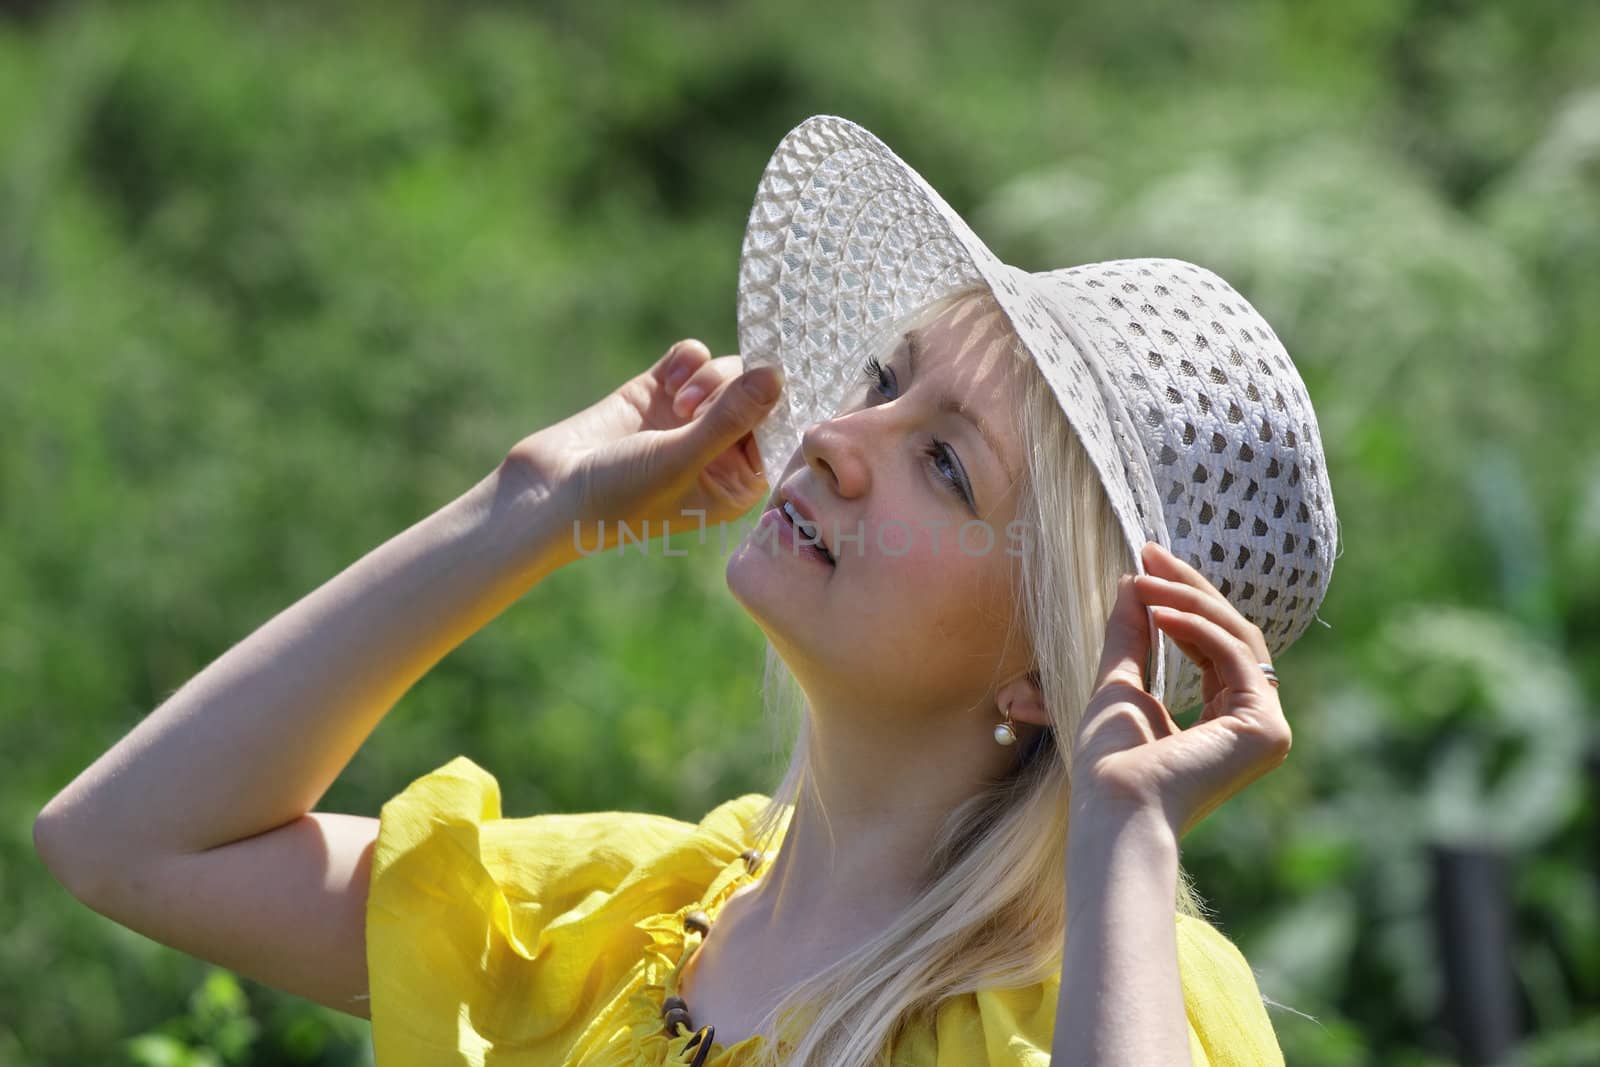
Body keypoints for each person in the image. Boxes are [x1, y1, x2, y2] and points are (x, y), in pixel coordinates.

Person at [34, 115, 1338, 1067]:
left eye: (945, 462)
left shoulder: (1107, 1004)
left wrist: (1124, 838)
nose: (838, 434)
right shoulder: (627, 918)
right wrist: (529, 507)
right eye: (886, 382)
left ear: (1050, 667)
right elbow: (125, 843)